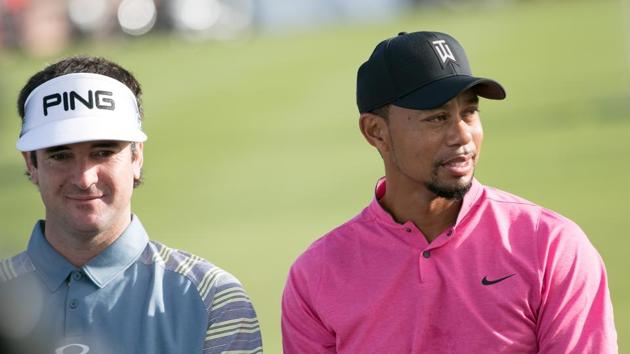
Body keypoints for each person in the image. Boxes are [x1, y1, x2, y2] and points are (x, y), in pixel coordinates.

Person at [281, 31, 618, 353]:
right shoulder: (317, 274)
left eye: (469, 112)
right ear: (376, 132)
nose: (462, 136)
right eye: (437, 118)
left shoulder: (552, 246)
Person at [0, 56, 263, 354]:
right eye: (60, 156)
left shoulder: (212, 297)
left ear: (137, 157)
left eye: (102, 152)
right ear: (31, 164)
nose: (84, 178)